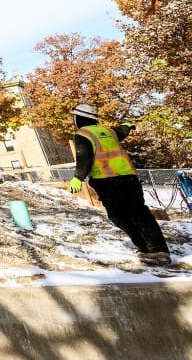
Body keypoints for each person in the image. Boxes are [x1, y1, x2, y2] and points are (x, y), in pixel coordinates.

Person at [69, 104, 170, 266]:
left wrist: (78, 178)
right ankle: (158, 249)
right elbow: (121, 131)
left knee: (119, 216)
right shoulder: (108, 132)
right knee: (139, 213)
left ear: (80, 118)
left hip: (107, 181)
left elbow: (84, 157)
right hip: (129, 178)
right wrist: (127, 125)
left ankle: (146, 248)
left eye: (74, 117)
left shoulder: (82, 134)